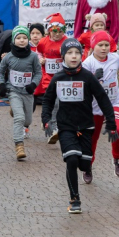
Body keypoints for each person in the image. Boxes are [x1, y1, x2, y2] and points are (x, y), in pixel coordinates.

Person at [41, 38, 116, 214]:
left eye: (77, 53)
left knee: (83, 164)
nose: (74, 56)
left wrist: (111, 122)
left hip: (86, 126)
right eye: (69, 53)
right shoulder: (58, 78)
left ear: (81, 55)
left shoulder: (88, 77)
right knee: (71, 159)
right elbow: (47, 101)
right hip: (66, 127)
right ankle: (75, 198)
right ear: (63, 57)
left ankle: (86, 165)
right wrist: (46, 121)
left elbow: (103, 100)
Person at [81, 30, 119, 181]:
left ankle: (118, 159)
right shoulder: (88, 63)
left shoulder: (115, 58)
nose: (104, 48)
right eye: (100, 45)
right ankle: (88, 166)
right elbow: (82, 86)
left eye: (106, 45)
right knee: (92, 138)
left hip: (112, 103)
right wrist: (92, 79)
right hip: (95, 107)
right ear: (93, 45)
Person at [0, 26, 42, 160]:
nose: (22, 40)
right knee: (20, 118)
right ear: (13, 40)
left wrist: (33, 84)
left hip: (27, 92)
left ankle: (14, 110)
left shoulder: (33, 56)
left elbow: (39, 73)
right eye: (18, 38)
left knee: (27, 120)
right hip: (13, 90)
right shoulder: (8, 57)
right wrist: (2, 84)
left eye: (24, 38)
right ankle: (19, 145)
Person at [34, 13, 68, 143]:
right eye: (54, 31)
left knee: (59, 103)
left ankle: (48, 122)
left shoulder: (66, 41)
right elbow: (38, 52)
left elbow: (74, 53)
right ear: (49, 30)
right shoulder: (43, 42)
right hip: (48, 77)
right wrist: (40, 59)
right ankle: (53, 128)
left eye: (60, 31)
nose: (57, 34)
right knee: (53, 102)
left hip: (62, 77)